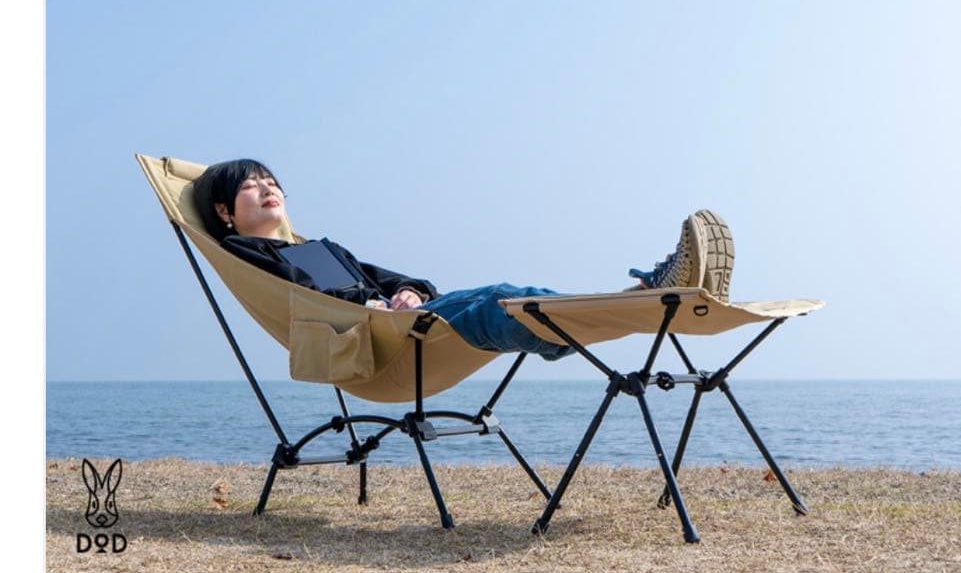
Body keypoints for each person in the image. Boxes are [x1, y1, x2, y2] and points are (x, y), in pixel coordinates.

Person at [192, 159, 734, 361]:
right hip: (377, 342)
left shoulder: (325, 248)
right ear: (224, 211)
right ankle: (649, 299)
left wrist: (409, 292)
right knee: (501, 306)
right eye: (251, 186)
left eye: (271, 181)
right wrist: (376, 306)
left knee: (506, 295)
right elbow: (306, 296)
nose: (267, 188)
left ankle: (647, 298)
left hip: (406, 321)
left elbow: (406, 279)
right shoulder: (245, 251)